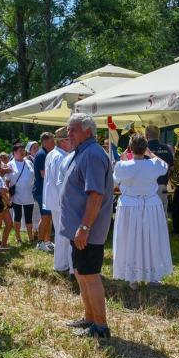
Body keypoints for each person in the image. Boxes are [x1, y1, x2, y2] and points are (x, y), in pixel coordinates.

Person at [60, 113, 114, 339]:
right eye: (68, 130)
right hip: (80, 229)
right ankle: (90, 319)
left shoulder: (91, 154)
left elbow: (95, 195)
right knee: (82, 274)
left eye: (73, 130)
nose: (68, 134)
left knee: (90, 275)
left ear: (88, 131)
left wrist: (84, 227)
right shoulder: (82, 152)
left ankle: (100, 327)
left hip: (87, 230)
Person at [112, 135, 172, 289]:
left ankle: (133, 278)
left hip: (130, 205)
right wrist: (150, 154)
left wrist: (124, 159)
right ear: (145, 148)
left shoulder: (122, 165)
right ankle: (152, 275)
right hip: (149, 204)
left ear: (130, 148)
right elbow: (164, 166)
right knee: (151, 238)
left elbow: (115, 180)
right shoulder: (153, 164)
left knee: (130, 240)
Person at [43, 127, 73, 274]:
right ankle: (62, 265)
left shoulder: (52, 154)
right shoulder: (60, 157)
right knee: (64, 235)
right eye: (69, 139)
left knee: (62, 234)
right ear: (63, 141)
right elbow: (61, 183)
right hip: (61, 201)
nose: (72, 143)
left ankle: (62, 263)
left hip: (55, 200)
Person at [7, 142, 35, 243]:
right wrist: (8, 195)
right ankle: (18, 237)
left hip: (29, 194)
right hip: (17, 194)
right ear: (14, 152)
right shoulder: (10, 164)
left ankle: (30, 237)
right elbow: (7, 181)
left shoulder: (29, 162)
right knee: (17, 216)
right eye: (20, 151)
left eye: (23, 151)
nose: (22, 152)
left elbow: (34, 176)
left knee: (29, 216)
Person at [33, 132, 55, 252]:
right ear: (45, 142)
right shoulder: (42, 154)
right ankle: (40, 242)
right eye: (52, 141)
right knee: (45, 216)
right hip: (41, 190)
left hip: (45, 190)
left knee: (49, 216)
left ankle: (47, 241)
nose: (54, 143)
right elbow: (43, 174)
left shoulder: (47, 153)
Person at [145, 124, 174, 211]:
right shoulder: (167, 148)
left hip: (147, 188)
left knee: (148, 216)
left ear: (146, 136)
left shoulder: (144, 149)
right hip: (162, 186)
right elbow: (172, 168)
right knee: (162, 215)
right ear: (159, 135)